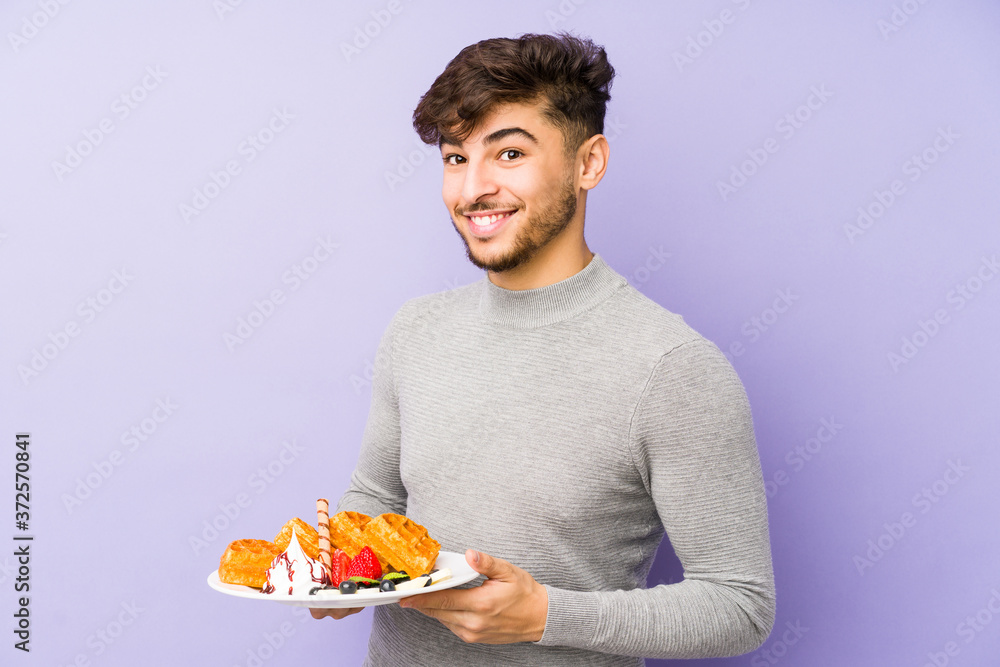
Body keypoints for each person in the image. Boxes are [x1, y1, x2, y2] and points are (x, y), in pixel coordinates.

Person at [311, 31, 776, 665]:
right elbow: (376, 498)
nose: (472, 188)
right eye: (455, 158)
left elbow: (738, 606)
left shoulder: (673, 368)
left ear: (589, 163)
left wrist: (547, 616)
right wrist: (339, 566)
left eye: (507, 153)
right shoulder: (414, 332)